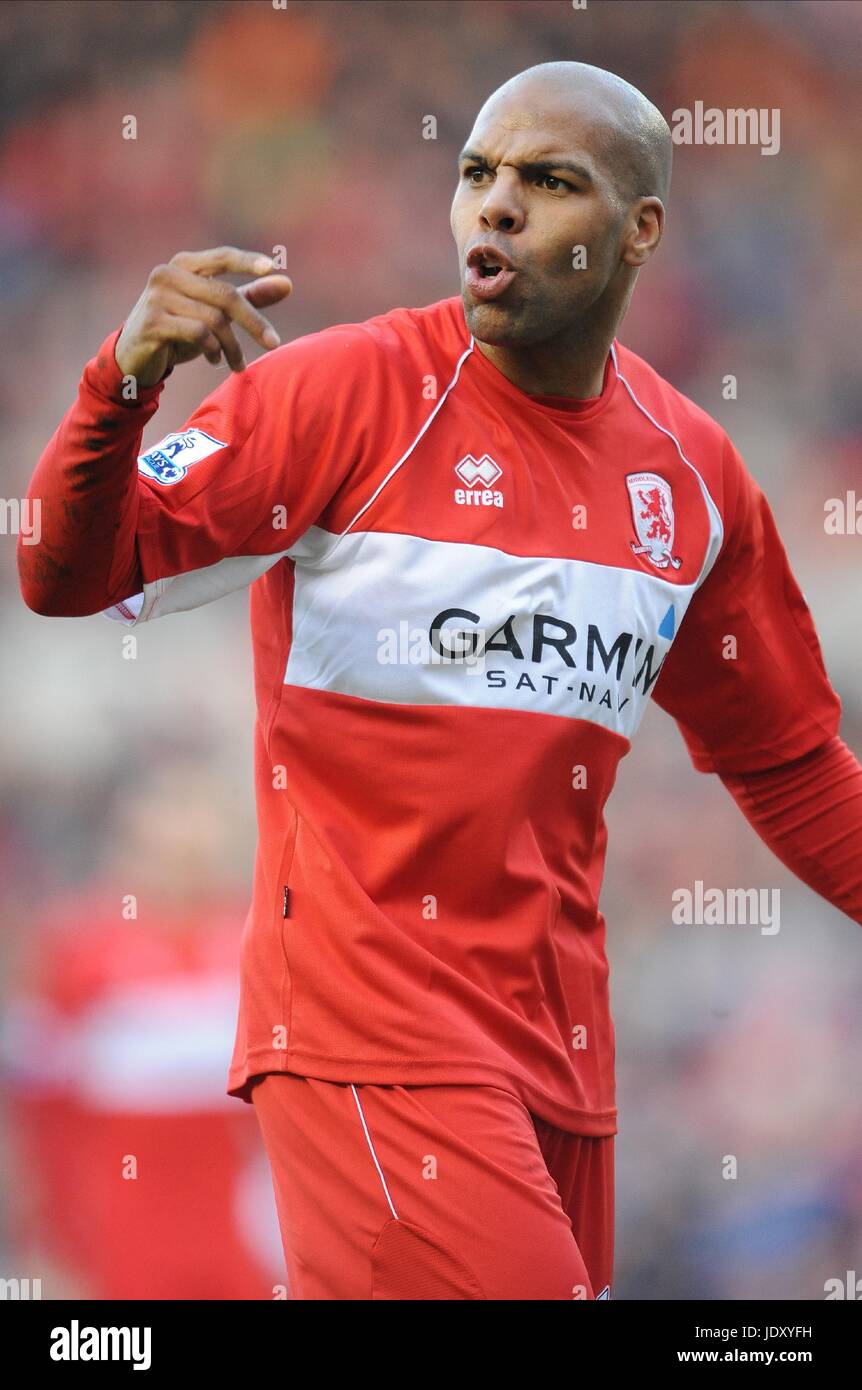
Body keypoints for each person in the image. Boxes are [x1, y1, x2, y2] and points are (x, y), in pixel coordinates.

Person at [18, 61, 862, 1300]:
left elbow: (789, 767)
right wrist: (122, 384)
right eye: (477, 175)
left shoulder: (692, 476)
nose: (495, 207)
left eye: (547, 181)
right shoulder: (343, 394)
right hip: (368, 1035)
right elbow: (64, 573)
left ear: (639, 232)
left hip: (560, 1051)